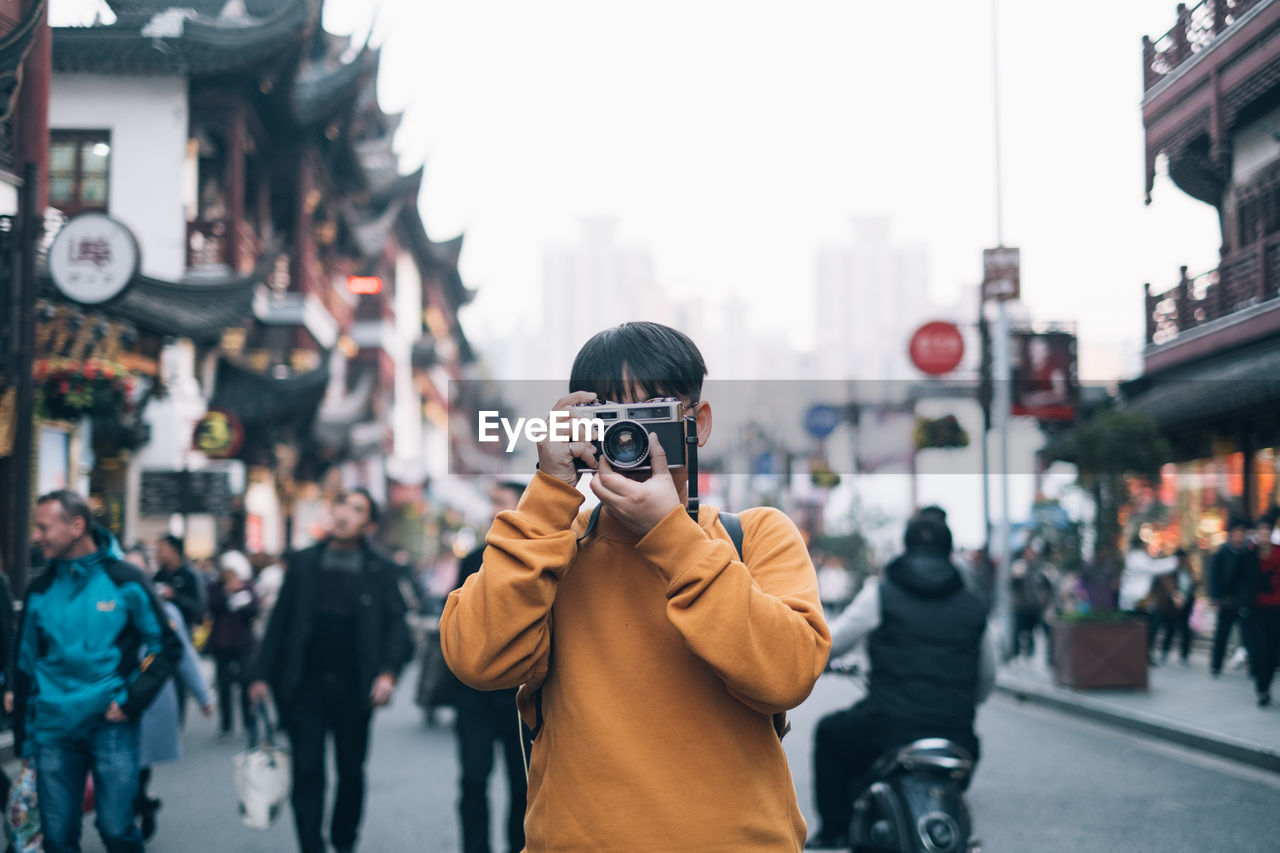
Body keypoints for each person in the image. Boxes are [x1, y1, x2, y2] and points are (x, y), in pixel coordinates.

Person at [441, 322, 830, 852]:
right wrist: (550, 488)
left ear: (700, 424)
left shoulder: (756, 535)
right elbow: (476, 659)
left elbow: (787, 675)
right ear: (578, 429)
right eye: (610, 420)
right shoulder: (553, 547)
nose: (631, 441)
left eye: (652, 417)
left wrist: (671, 535)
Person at [808, 516, 994, 849]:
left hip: (886, 730)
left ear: (905, 548)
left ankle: (835, 831)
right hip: (956, 735)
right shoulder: (974, 605)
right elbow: (986, 680)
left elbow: (830, 643)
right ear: (949, 552)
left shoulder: (881, 592)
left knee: (830, 732)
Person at [13, 490, 182, 853]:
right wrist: (25, 740)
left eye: (43, 527)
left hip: (111, 724)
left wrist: (131, 700)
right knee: (57, 839)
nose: (36, 536)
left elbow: (166, 646)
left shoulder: (127, 580)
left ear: (77, 526)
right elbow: (24, 666)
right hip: (53, 730)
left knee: (116, 829)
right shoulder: (39, 590)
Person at [249, 488, 413, 853]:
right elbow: (280, 621)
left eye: (356, 509)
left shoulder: (381, 568)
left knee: (350, 771)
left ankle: (343, 841)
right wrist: (260, 675)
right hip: (304, 683)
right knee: (307, 769)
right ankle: (311, 845)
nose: (344, 514)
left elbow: (397, 626)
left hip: (355, 687)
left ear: (368, 524)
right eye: (341, 504)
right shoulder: (304, 561)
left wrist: (387, 674)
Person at [451, 480, 529, 853]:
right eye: (492, 502)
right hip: (475, 696)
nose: (493, 510)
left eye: (501, 502)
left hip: (521, 693)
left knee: (524, 783)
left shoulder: (540, 558)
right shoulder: (473, 557)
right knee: (472, 779)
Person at [122, 545, 214, 840]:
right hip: (111, 696)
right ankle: (135, 808)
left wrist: (203, 695)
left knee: (139, 763)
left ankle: (140, 806)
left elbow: (183, 654)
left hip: (151, 698)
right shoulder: (105, 604)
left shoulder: (165, 609)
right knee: (118, 764)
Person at [207, 550, 260, 741]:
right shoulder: (215, 587)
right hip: (221, 641)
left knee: (246, 681)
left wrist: (241, 596)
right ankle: (226, 725)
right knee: (224, 685)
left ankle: (248, 722)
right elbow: (211, 607)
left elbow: (253, 612)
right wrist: (226, 593)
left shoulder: (248, 586)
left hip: (243, 641)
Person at [1209, 519, 1259, 677]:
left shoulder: (1248, 553)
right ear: (1231, 534)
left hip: (1243, 601)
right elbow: (1214, 577)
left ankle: (1253, 668)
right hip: (1226, 600)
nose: (1239, 536)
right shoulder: (1222, 553)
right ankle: (1216, 665)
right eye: (1236, 532)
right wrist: (1215, 597)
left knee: (1248, 635)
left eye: (1241, 533)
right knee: (1222, 634)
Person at [1250, 515, 1280, 706]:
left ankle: (1266, 686)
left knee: (1272, 651)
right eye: (1260, 532)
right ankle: (1261, 688)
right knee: (1259, 650)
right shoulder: (1250, 554)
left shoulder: (1278, 552)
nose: (1263, 536)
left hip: (1276, 608)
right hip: (1256, 609)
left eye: (1266, 532)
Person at [153, 534, 206, 633]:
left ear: (174, 550)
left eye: (161, 550)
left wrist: (174, 595)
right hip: (164, 632)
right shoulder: (159, 576)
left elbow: (199, 606)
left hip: (185, 633)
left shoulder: (190, 575)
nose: (157, 555)